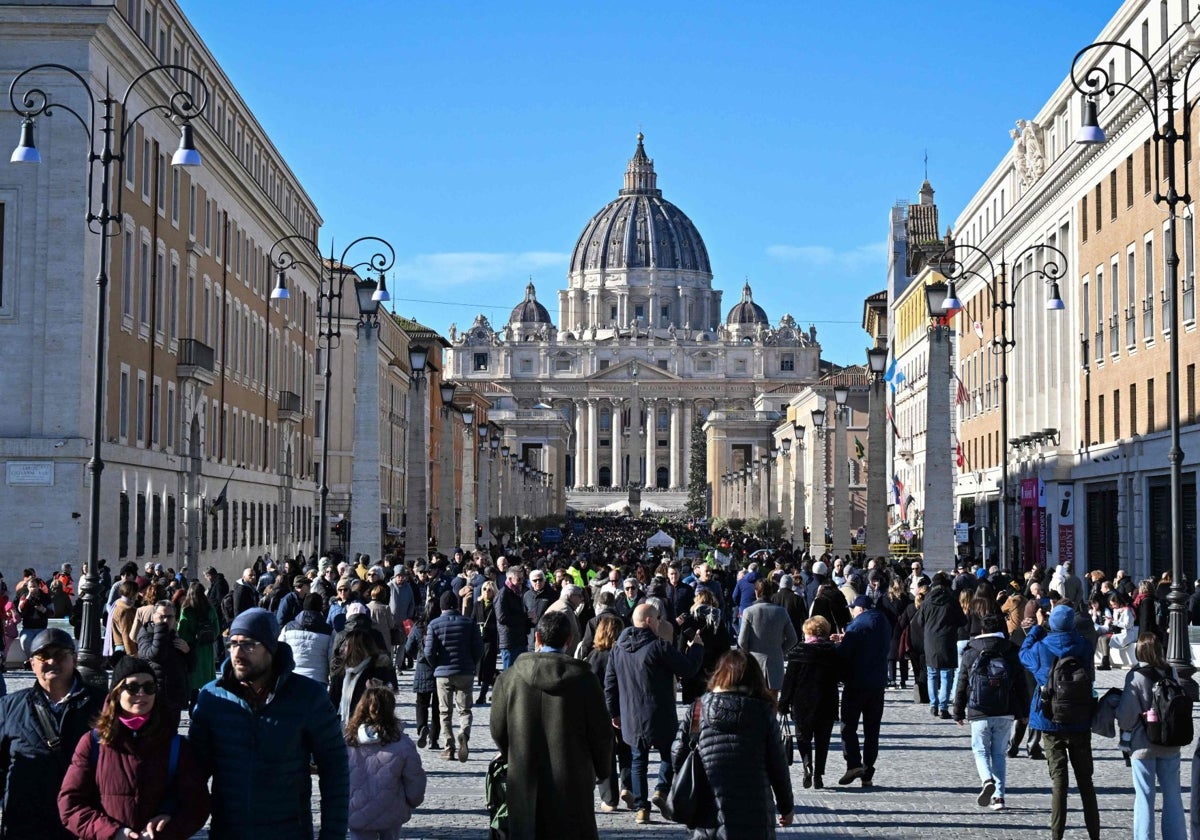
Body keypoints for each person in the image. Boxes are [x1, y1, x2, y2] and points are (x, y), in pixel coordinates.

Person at [189, 607, 349, 839]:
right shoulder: (212, 698)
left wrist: (332, 834)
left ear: (271, 648)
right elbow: (193, 774)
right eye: (233, 643)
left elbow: (335, 770)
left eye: (249, 644)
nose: (238, 653)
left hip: (288, 831)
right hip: (229, 832)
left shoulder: (308, 696)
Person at [57, 657, 211, 839]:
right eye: (132, 687)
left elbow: (197, 805)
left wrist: (168, 825)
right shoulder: (93, 743)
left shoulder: (175, 745)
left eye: (149, 687)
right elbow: (70, 805)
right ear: (116, 692)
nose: (141, 693)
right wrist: (112, 832)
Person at [491, 610, 612, 839]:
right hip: (573, 777)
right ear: (569, 641)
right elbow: (601, 734)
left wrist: (512, 753)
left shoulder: (508, 679)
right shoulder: (586, 681)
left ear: (537, 638)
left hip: (524, 777)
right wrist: (602, 770)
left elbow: (498, 729)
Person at [673, 649, 793, 836]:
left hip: (710, 807)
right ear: (755, 678)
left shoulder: (698, 709)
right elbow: (778, 765)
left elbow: (678, 755)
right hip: (756, 809)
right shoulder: (763, 712)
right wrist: (786, 807)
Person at [0, 628, 105, 840]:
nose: (51, 661)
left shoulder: (102, 705)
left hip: (83, 824)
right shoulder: (9, 707)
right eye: (43, 656)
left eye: (59, 655)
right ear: (31, 664)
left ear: (74, 659)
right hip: (25, 826)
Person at [605, 602, 704, 825]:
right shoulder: (658, 646)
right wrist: (697, 647)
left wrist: (614, 711)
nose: (660, 622)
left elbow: (609, 683)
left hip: (631, 713)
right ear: (649, 621)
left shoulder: (618, 647)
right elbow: (688, 669)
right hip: (659, 711)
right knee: (670, 754)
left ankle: (642, 808)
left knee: (638, 759)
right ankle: (661, 789)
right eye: (658, 618)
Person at [1020, 603, 1100, 840]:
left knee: (1059, 783)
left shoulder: (1041, 648)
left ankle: (1057, 835)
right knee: (1086, 781)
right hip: (1080, 718)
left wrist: (1036, 628)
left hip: (1050, 719)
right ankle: (1094, 834)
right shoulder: (1083, 645)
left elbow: (1023, 653)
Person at [952, 613, 1030, 811]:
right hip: (1005, 709)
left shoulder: (971, 651)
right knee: (998, 754)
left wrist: (958, 711)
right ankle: (999, 798)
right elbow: (1021, 684)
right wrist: (1024, 711)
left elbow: (962, 683)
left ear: (981, 630)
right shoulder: (1011, 650)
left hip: (979, 709)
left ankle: (987, 779)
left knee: (980, 750)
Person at [1118, 633, 1186, 840]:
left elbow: (1126, 715)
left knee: (1145, 797)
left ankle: (1144, 837)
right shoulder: (1171, 671)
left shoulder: (1136, 676)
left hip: (1143, 744)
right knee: (1173, 795)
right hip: (1170, 742)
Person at [345, 686, 427, 840]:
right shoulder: (403, 744)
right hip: (391, 810)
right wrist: (413, 800)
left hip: (356, 810)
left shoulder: (348, 742)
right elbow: (414, 778)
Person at [835, 594, 891, 786]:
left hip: (856, 682)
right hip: (877, 683)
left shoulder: (857, 625)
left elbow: (844, 654)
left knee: (848, 726)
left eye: (853, 609)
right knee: (872, 729)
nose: (852, 612)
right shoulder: (883, 621)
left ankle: (853, 764)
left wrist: (840, 644)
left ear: (860, 609)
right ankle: (868, 770)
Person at [780, 615, 839, 789]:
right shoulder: (832, 652)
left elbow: (789, 681)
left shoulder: (799, 652)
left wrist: (783, 703)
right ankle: (819, 773)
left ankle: (807, 765)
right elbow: (839, 675)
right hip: (826, 701)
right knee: (823, 739)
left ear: (808, 632)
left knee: (803, 737)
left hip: (802, 702)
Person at [424, 591, 484, 762]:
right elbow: (479, 648)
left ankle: (448, 747)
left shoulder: (434, 624)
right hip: (465, 671)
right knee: (465, 709)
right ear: (457, 605)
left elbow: (428, 651)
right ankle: (464, 733)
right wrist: (472, 662)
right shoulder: (469, 623)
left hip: (443, 672)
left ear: (441, 607)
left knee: (444, 711)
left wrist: (435, 665)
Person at [586, 613, 634, 812]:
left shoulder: (593, 657)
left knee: (605, 755)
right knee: (626, 751)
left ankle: (609, 799)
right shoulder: (626, 655)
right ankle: (628, 787)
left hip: (601, 712)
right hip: (625, 710)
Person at [135, 600, 193, 728]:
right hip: (155, 694)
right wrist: (160, 628)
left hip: (174, 694)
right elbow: (155, 655)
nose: (166, 620)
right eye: (162, 616)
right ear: (153, 616)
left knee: (172, 734)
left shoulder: (176, 635)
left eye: (170, 617)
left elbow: (190, 666)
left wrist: (188, 651)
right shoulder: (146, 633)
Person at [918, 572, 966, 719]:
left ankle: (934, 705)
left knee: (932, 674)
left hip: (931, 641)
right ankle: (943, 707)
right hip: (947, 640)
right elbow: (962, 621)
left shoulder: (927, 600)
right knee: (946, 675)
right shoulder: (951, 600)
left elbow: (920, 621)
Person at [737, 578, 798, 695]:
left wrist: (749, 653)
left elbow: (742, 641)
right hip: (775, 660)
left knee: (755, 700)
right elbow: (793, 638)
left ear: (756, 592)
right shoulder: (781, 612)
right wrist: (780, 650)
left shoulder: (749, 612)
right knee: (772, 701)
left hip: (755, 661)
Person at [280, 592, 335, 685]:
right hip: (318, 678)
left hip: (292, 677)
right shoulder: (329, 631)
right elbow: (332, 657)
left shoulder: (288, 627)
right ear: (320, 607)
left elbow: (280, 653)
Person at [177, 581, 219, 703]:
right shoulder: (210, 608)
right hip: (207, 648)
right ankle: (208, 704)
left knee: (194, 681)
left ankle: (193, 707)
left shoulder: (186, 610)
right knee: (208, 679)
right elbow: (216, 629)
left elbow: (182, 632)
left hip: (193, 649)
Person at [496, 566, 533, 668]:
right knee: (509, 675)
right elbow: (502, 618)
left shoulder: (518, 592)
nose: (522, 581)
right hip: (510, 642)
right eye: (519, 579)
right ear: (510, 579)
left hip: (520, 639)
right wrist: (525, 616)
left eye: (523, 578)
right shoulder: (503, 594)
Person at [472, 580, 499, 704]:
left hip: (491, 639)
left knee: (488, 666)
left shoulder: (496, 604)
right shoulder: (477, 604)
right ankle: (497, 680)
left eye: (489, 590)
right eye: (484, 589)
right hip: (478, 638)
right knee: (480, 668)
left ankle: (482, 696)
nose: (486, 592)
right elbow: (472, 619)